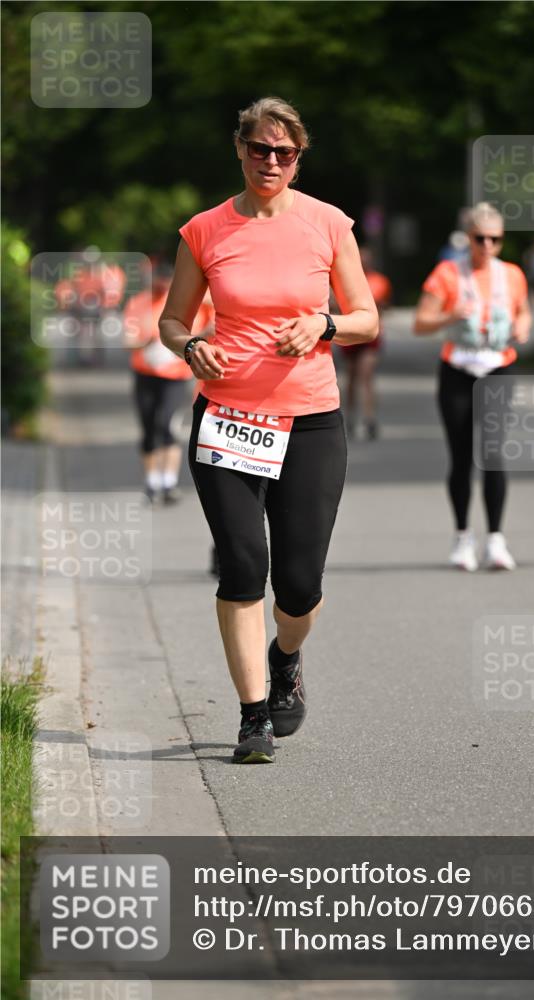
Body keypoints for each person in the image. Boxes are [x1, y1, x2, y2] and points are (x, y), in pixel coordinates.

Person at [158, 97, 378, 763]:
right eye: (260, 149)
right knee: (242, 563)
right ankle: (252, 715)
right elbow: (171, 321)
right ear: (240, 149)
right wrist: (190, 344)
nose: (271, 161)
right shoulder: (205, 230)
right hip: (226, 418)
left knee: (300, 582)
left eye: (284, 152)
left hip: (309, 421)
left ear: (298, 156)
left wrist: (325, 324)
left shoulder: (328, 225)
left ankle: (286, 655)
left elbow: (365, 315)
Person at [413, 202, 531, 571]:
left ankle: (496, 539)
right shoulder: (448, 274)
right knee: (461, 456)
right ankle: (463, 536)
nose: (487, 245)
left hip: (498, 367)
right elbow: (420, 322)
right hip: (458, 370)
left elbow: (523, 309)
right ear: (469, 238)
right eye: (480, 238)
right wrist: (450, 315)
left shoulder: (511, 274)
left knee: (492, 452)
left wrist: (525, 325)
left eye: (495, 239)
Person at [124, 259, 214, 503]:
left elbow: (217, 318)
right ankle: (152, 482)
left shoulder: (186, 301)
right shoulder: (138, 303)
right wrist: (146, 341)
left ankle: (169, 482)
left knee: (167, 423)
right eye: (158, 285)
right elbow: (127, 339)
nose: (162, 289)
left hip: (176, 376)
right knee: (149, 427)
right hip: (145, 374)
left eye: (167, 284)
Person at [338, 246, 392, 439]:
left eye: (367, 260)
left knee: (366, 375)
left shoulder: (380, 281)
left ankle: (369, 419)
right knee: (351, 378)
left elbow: (386, 305)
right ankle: (350, 418)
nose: (364, 263)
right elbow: (333, 303)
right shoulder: (344, 279)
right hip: (350, 331)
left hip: (370, 335)